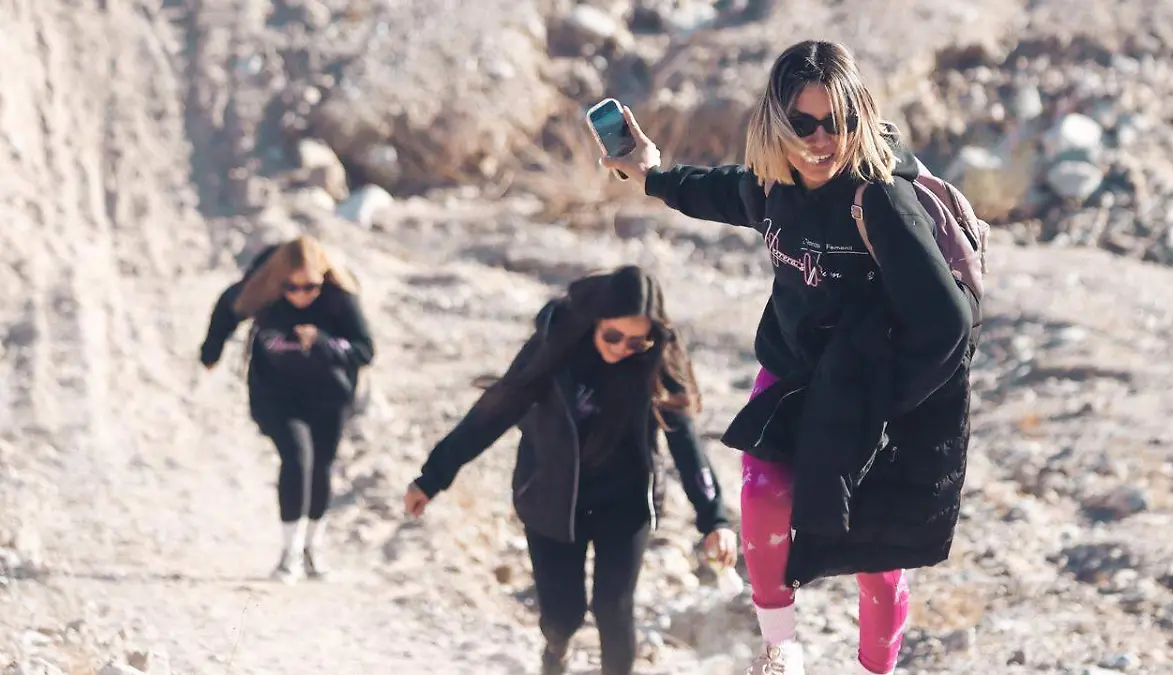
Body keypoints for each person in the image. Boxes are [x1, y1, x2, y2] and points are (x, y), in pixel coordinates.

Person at [599, 41, 978, 675]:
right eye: (804, 123)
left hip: (870, 386)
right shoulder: (775, 185)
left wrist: (888, 405)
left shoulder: (880, 202)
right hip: (797, 373)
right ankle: (781, 647)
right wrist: (650, 173)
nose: (822, 139)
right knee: (762, 492)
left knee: (877, 558)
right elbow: (720, 191)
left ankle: (874, 668)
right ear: (777, 122)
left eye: (839, 121)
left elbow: (950, 324)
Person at [402, 265, 739, 675]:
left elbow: (686, 445)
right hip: (551, 498)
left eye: (636, 340)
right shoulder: (553, 350)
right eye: (612, 336)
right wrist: (433, 477)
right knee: (563, 616)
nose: (622, 348)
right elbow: (491, 415)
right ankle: (555, 651)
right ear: (594, 323)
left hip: (625, 502)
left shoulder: (656, 363)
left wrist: (714, 519)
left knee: (614, 607)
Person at [199, 235, 375, 583]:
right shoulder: (264, 293)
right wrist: (212, 349)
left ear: (323, 277)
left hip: (329, 396)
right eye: (291, 287)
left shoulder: (339, 298)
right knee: (297, 458)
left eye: (310, 287)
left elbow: (365, 350)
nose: (300, 295)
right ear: (278, 282)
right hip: (276, 397)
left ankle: (313, 547)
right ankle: (289, 553)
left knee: (322, 466)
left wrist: (323, 343)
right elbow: (227, 307)